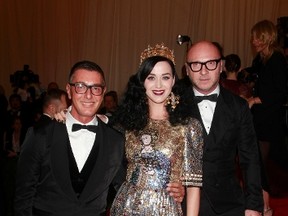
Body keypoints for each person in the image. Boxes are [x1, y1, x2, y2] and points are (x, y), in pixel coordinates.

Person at [14, 60, 125, 216]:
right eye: (80, 86)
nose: (88, 94)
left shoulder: (116, 140)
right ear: (69, 90)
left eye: (96, 88)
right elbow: (23, 196)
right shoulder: (40, 135)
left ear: (103, 92)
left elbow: (125, 189)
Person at [110, 43, 204, 215]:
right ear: (142, 81)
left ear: (174, 80)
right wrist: (63, 115)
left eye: (165, 77)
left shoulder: (188, 127)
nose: (158, 84)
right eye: (151, 77)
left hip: (165, 208)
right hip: (127, 207)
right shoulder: (126, 124)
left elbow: (193, 187)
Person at [182, 40, 263, 216]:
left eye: (210, 63)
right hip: (182, 204)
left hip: (228, 204)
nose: (203, 71)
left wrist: (254, 205)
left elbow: (250, 159)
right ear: (187, 69)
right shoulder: (174, 106)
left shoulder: (239, 107)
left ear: (221, 66)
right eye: (196, 64)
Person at [248, 19, 288, 216]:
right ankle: (264, 205)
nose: (253, 41)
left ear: (266, 37)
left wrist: (256, 99)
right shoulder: (262, 59)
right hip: (261, 118)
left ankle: (267, 207)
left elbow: (281, 92)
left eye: (257, 37)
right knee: (260, 165)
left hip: (270, 119)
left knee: (265, 165)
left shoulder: (277, 59)